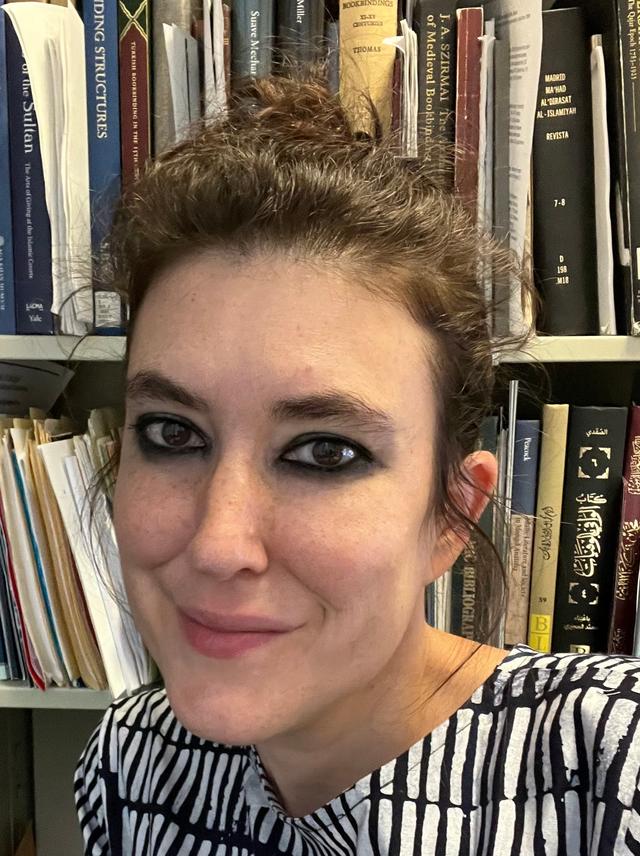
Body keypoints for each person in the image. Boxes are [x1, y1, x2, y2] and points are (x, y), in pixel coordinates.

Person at [73, 72, 640, 855]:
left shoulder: (612, 771)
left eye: (324, 452)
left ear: (450, 514)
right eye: (173, 435)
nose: (217, 544)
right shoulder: (129, 766)